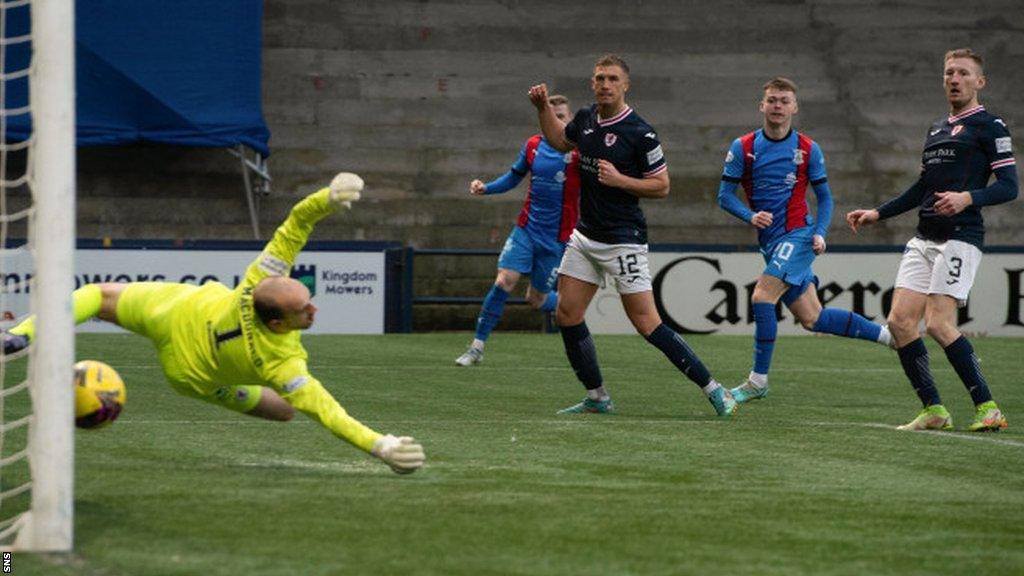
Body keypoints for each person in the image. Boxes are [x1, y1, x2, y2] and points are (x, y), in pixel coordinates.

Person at [2, 173, 426, 472]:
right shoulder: (281, 365)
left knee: (94, 295)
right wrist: (380, 445)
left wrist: (325, 199)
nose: (313, 309)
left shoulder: (260, 280)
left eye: (308, 302)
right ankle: (19, 338)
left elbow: (296, 225)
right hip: (189, 365)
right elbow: (329, 413)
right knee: (288, 409)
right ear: (278, 323)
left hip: (175, 317)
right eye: (303, 309)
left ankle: (18, 334)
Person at [527, 54, 736, 417]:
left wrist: (621, 180)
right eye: (599, 78)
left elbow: (662, 186)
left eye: (611, 79)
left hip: (623, 238)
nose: (605, 84)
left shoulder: (641, 133)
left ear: (626, 85)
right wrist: (543, 106)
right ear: (592, 84)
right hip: (585, 237)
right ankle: (597, 396)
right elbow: (560, 141)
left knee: (647, 324)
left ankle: (715, 389)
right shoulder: (586, 118)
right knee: (567, 313)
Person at [846, 48, 1018, 432]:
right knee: (900, 322)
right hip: (924, 237)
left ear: (979, 81)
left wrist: (968, 197)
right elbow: (923, 186)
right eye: (948, 73)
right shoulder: (937, 128)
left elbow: (1009, 187)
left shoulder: (991, 126)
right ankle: (934, 410)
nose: (954, 79)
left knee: (938, 324)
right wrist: (879, 212)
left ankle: (987, 406)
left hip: (961, 237)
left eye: (962, 73)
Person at [717, 77, 893, 404]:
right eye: (772, 100)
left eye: (784, 101)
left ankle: (758, 381)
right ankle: (891, 336)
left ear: (794, 108)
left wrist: (820, 233)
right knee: (813, 318)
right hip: (770, 241)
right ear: (762, 105)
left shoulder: (808, 149)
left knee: (762, 296)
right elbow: (724, 195)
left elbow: (825, 198)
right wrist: (750, 216)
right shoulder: (743, 147)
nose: (778, 106)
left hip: (797, 235)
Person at [455, 95, 580, 366]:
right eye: (552, 115)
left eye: (562, 116)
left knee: (537, 300)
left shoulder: (581, 152)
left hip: (557, 240)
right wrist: (486, 188)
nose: (557, 120)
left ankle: (574, 306)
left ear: (570, 120)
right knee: (504, 281)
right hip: (527, 230)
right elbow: (513, 177)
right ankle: (477, 347)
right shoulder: (534, 145)